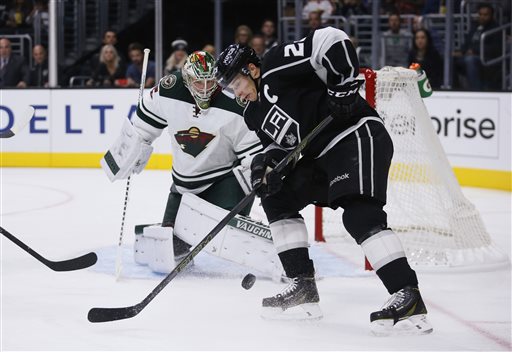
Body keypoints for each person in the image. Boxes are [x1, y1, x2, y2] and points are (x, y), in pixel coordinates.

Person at [214, 27, 432, 335]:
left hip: (356, 134)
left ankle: (407, 293)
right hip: (322, 156)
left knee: (359, 214)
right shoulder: (253, 113)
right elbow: (282, 146)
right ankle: (302, 287)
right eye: (230, 89)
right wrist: (266, 166)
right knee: (276, 197)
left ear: (251, 69)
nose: (236, 93)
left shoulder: (277, 63)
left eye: (236, 83)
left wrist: (342, 85)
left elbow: (331, 38)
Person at [102, 51, 269, 275]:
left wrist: (258, 177)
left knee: (219, 233)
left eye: (211, 81)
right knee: (170, 253)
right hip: (183, 186)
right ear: (187, 80)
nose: (206, 88)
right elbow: (142, 128)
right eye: (199, 82)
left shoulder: (234, 103)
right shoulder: (169, 90)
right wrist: (131, 152)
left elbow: (253, 154)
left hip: (224, 181)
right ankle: (182, 233)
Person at [454, 3, 502, 90]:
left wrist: (475, 51)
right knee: (450, 58)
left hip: (486, 59)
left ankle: (476, 90)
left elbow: (495, 49)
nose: (482, 17)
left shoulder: (496, 28)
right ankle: (453, 88)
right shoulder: (475, 26)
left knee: (470, 60)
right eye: (480, 14)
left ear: (491, 15)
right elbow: (467, 42)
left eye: (485, 15)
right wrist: (461, 51)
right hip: (469, 55)